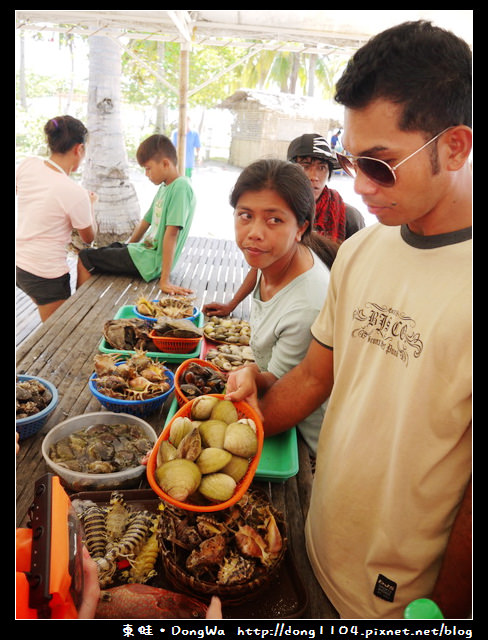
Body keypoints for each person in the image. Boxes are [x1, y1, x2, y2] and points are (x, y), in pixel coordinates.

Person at [225, 20, 472, 619]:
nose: (360, 187)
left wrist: (448, 608)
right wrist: (256, 403)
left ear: (455, 146)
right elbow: (314, 379)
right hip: (315, 535)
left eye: (381, 166)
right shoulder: (362, 251)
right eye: (350, 162)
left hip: (406, 596)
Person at [228, 158, 337, 454]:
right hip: (276, 414)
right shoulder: (274, 260)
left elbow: (279, 390)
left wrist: (254, 374)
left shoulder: (308, 304)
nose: (255, 232)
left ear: (300, 227)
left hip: (301, 444)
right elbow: (272, 375)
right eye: (245, 215)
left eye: (274, 220)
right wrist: (252, 371)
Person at [202, 133, 363, 317]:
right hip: (280, 307)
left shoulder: (347, 216)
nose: (314, 176)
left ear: (302, 228)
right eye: (305, 166)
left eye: (322, 168)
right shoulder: (277, 208)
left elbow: (358, 276)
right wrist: (231, 304)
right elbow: (262, 260)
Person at [77, 134, 195, 296]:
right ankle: (85, 300)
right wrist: (127, 246)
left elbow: (172, 234)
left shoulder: (180, 187)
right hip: (142, 255)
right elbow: (145, 222)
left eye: (148, 168)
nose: (146, 174)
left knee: (85, 257)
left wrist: (165, 281)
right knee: (110, 249)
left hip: (149, 263)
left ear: (165, 163)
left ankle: (80, 306)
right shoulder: (165, 186)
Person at [16, 115, 98, 322]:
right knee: (60, 333)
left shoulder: (28, 164)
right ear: (78, 149)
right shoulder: (74, 192)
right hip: (46, 275)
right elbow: (88, 238)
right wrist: (90, 206)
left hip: (19, 263)